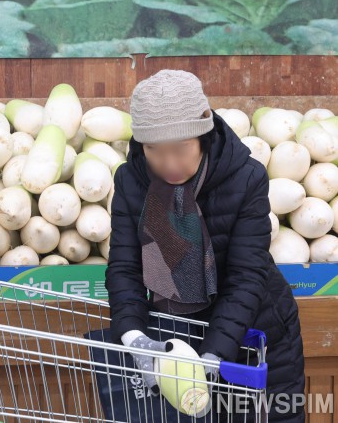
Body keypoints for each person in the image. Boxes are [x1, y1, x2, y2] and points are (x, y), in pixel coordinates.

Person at [106, 70, 305, 422]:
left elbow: (247, 275)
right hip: (175, 337)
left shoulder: (246, 177)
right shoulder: (129, 181)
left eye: (181, 150)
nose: (169, 164)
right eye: (154, 150)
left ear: (204, 135)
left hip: (252, 331)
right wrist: (134, 336)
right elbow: (124, 267)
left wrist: (214, 356)